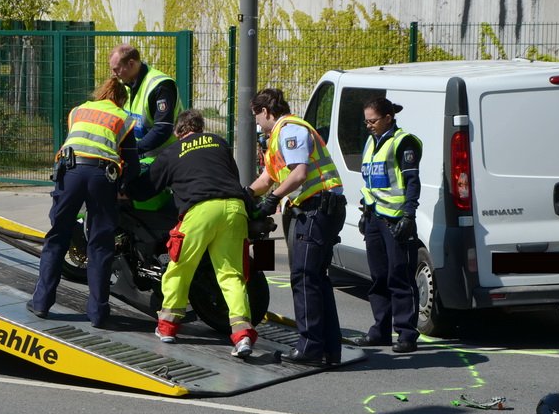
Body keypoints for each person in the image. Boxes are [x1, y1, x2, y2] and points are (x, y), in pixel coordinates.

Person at [128, 109, 259, 357]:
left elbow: (148, 188)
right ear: (200, 127)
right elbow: (231, 175)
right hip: (234, 207)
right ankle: (242, 336)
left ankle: (166, 328)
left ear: (179, 132)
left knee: (180, 268)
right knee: (231, 275)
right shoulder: (219, 143)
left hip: (200, 211)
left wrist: (126, 188)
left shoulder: (173, 151)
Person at [27, 76, 139, 328]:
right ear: (121, 99)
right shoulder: (124, 118)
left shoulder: (79, 111)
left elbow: (74, 142)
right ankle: (98, 313)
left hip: (71, 172)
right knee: (100, 245)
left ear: (100, 93)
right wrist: (122, 187)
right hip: (102, 177)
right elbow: (132, 165)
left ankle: (41, 303)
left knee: (57, 236)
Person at [248, 88, 346, 367]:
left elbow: (299, 173)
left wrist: (273, 199)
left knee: (304, 277)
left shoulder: (290, 129)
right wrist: (247, 193)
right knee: (316, 278)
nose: (256, 123)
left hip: (316, 208)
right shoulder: (277, 136)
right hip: (316, 209)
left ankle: (310, 348)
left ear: (265, 111)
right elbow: (268, 177)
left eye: (256, 116)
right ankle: (329, 347)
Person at [354, 97, 423, 353]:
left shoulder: (403, 142)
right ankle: (380, 331)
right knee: (378, 278)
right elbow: (370, 181)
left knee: (400, 277)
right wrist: (364, 210)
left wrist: (408, 216)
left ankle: (406, 333)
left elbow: (412, 182)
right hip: (374, 217)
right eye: (366, 121)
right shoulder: (371, 142)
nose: (368, 125)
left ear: (388, 118)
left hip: (395, 219)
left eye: (372, 120)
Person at [108, 43, 181, 158]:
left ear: (131, 64)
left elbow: (163, 128)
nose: (114, 74)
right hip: (141, 155)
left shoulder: (160, 85)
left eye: (116, 69)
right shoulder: (126, 84)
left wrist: (133, 150)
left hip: (165, 157)